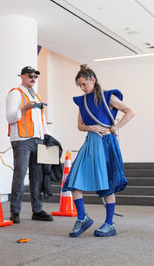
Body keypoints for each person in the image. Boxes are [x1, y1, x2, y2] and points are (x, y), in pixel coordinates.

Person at [62, 64, 134, 238]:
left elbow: (129, 112)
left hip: (106, 143)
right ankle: (82, 218)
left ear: (93, 80)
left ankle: (109, 224)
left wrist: (115, 127)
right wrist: (90, 127)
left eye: (84, 84)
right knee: (73, 181)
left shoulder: (108, 96)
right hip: (90, 143)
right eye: (79, 85)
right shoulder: (82, 101)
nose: (82, 88)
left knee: (108, 184)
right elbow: (79, 125)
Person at [5, 66, 53, 224]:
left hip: (37, 139)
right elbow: (10, 118)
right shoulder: (15, 93)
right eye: (30, 76)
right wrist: (24, 109)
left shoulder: (37, 96)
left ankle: (37, 210)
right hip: (21, 140)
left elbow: (41, 119)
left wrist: (45, 136)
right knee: (20, 174)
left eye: (35, 76)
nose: (33, 78)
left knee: (37, 176)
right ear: (22, 77)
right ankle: (15, 212)